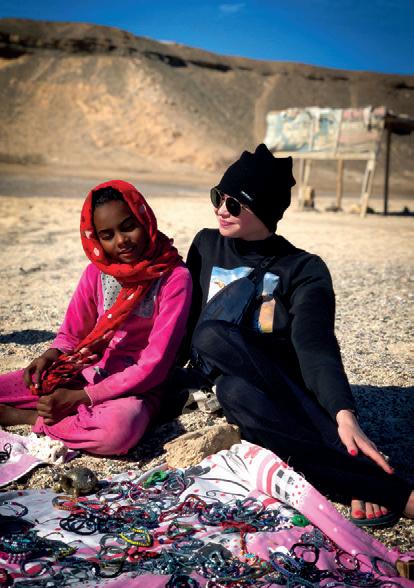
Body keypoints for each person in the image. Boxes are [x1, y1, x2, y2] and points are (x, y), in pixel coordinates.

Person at [185, 144, 414, 527]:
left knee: (212, 338)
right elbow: (183, 319)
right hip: (225, 384)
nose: (221, 210)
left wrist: (344, 414)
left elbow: (315, 345)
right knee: (231, 389)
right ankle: (370, 480)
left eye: (234, 204)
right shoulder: (206, 245)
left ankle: (374, 477)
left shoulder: (302, 268)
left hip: (284, 389)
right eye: (217, 197)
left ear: (264, 210)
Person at [0, 180, 192, 456]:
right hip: (83, 372)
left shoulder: (173, 278)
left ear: (145, 219)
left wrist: (80, 398)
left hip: (135, 390)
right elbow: (72, 334)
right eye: (107, 235)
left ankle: (30, 418)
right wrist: (50, 355)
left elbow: (154, 365)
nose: (121, 241)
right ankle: (64, 413)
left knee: (116, 433)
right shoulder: (96, 273)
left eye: (129, 226)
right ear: (96, 239)